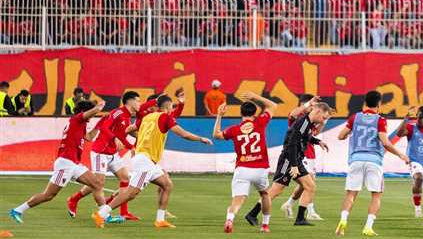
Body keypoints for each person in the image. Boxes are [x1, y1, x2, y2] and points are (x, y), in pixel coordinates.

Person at [95, 94, 212, 228]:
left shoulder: (146, 118)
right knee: (131, 193)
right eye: (172, 106)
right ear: (168, 106)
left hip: (147, 160)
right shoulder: (165, 117)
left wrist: (143, 136)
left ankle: (160, 220)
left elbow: (128, 129)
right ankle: (101, 214)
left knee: (167, 185)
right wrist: (201, 139)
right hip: (145, 161)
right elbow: (183, 134)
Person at [9, 99, 121, 228]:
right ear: (84, 111)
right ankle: (18, 210)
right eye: (90, 113)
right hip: (65, 163)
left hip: (74, 164)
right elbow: (95, 110)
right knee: (48, 195)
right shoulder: (76, 119)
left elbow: (89, 137)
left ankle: (104, 215)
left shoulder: (80, 124)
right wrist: (100, 106)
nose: (92, 117)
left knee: (96, 184)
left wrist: (101, 122)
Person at [335, 90, 409, 237]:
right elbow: (385, 143)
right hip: (374, 161)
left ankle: (343, 220)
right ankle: (368, 227)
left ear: (365, 103)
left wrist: (351, 133)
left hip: (356, 159)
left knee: (351, 194)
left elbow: (340, 136)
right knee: (376, 195)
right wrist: (401, 154)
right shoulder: (380, 120)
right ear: (379, 104)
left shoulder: (355, 117)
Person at [66, 91, 142, 221]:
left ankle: (124, 212)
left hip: (112, 153)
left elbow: (122, 137)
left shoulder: (127, 117)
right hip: (100, 152)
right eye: (138, 101)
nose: (140, 104)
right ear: (130, 101)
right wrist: (115, 139)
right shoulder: (117, 112)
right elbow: (104, 128)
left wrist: (131, 147)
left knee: (125, 178)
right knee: (98, 183)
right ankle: (74, 199)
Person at [213, 91, 276, 233]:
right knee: (265, 194)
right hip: (260, 168)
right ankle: (265, 225)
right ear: (255, 114)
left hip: (242, 169)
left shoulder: (234, 129)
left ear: (241, 113)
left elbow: (216, 135)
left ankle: (230, 219)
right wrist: (255, 97)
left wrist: (219, 115)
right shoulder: (260, 122)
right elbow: (273, 105)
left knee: (238, 199)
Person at [276, 95, 328, 222]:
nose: (312, 107)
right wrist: (307, 104)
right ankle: (309, 211)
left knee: (307, 184)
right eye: (310, 105)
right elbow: (292, 115)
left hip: (309, 153)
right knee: (309, 183)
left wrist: (324, 121)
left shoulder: (311, 121)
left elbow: (314, 133)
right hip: (298, 155)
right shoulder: (299, 119)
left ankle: (290, 204)